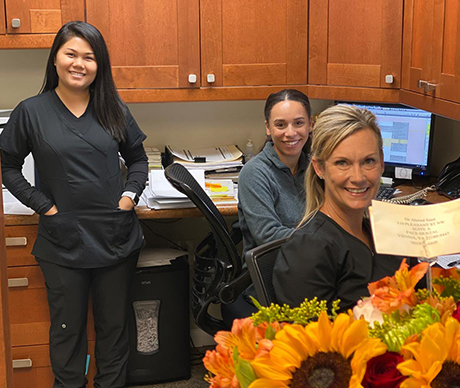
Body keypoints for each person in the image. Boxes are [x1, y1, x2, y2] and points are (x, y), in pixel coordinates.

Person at [0, 21, 148, 388]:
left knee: (114, 331)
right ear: (55, 59)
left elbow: (139, 160)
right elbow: (8, 166)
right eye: (71, 54)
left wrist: (128, 198)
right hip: (63, 240)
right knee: (67, 332)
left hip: (114, 237)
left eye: (89, 57)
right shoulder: (31, 111)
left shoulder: (114, 108)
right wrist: (44, 206)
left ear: (100, 66)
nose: (79, 63)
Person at [273, 104, 404, 310]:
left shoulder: (383, 233)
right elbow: (308, 339)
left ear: (382, 164)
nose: (359, 177)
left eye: (368, 161)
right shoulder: (308, 250)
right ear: (319, 168)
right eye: (342, 163)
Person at [238, 89, 313, 258]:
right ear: (268, 128)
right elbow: (268, 236)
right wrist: (323, 239)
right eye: (280, 125)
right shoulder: (254, 173)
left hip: (311, 263)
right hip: (272, 272)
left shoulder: (316, 169)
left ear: (310, 125)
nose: (290, 133)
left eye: (299, 123)